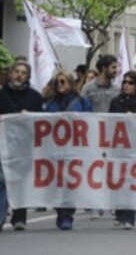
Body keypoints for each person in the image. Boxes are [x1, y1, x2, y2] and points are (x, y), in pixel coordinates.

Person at [43, 71, 93, 230]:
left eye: (63, 82)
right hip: (53, 148)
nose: (60, 85)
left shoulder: (82, 102)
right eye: (57, 82)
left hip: (75, 148)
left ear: (70, 83)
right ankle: (59, 210)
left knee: (70, 183)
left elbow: (91, 121)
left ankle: (67, 215)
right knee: (55, 182)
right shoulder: (49, 103)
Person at [0, 60, 43, 230]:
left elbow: (42, 122)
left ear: (28, 76)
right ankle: (1, 215)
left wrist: (30, 116)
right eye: (16, 71)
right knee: (2, 181)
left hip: (25, 145)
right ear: (10, 74)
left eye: (23, 72)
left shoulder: (35, 97)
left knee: (21, 181)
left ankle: (19, 217)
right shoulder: (1, 94)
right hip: (3, 144)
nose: (19, 75)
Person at [109, 71, 136, 230]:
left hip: (135, 148)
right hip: (118, 147)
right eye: (124, 82)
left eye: (130, 82)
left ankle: (129, 216)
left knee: (131, 182)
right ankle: (119, 213)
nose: (126, 85)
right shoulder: (115, 102)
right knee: (118, 181)